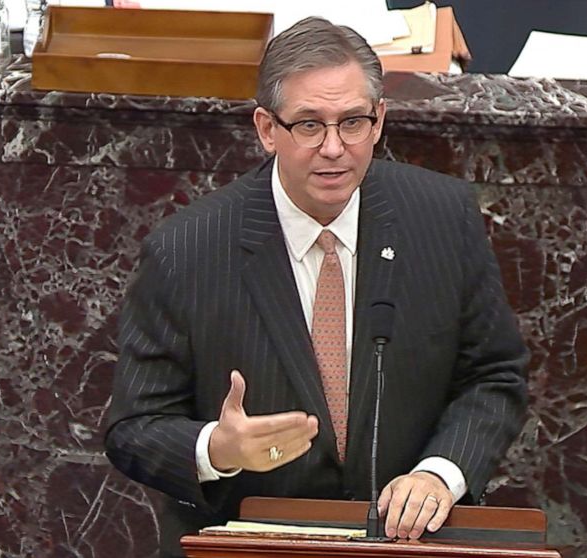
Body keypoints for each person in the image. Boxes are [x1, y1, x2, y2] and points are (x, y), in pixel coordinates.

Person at [104, 16, 529, 558]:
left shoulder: (442, 218)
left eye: (352, 122)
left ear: (379, 121)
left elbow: (495, 376)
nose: (334, 148)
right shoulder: (187, 249)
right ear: (266, 128)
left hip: (409, 543)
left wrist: (441, 475)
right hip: (251, 540)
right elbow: (133, 428)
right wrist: (217, 448)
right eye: (309, 125)